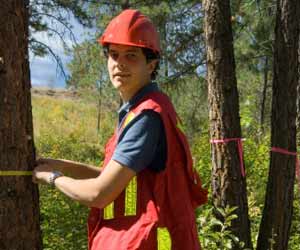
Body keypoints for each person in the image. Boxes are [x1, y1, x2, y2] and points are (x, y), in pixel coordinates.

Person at [33, 9, 207, 250]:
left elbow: (100, 193)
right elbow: (114, 177)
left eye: (131, 56)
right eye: (114, 55)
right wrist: (61, 165)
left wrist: (53, 178)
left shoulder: (147, 117)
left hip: (149, 241)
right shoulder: (141, 110)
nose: (119, 64)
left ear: (151, 64)